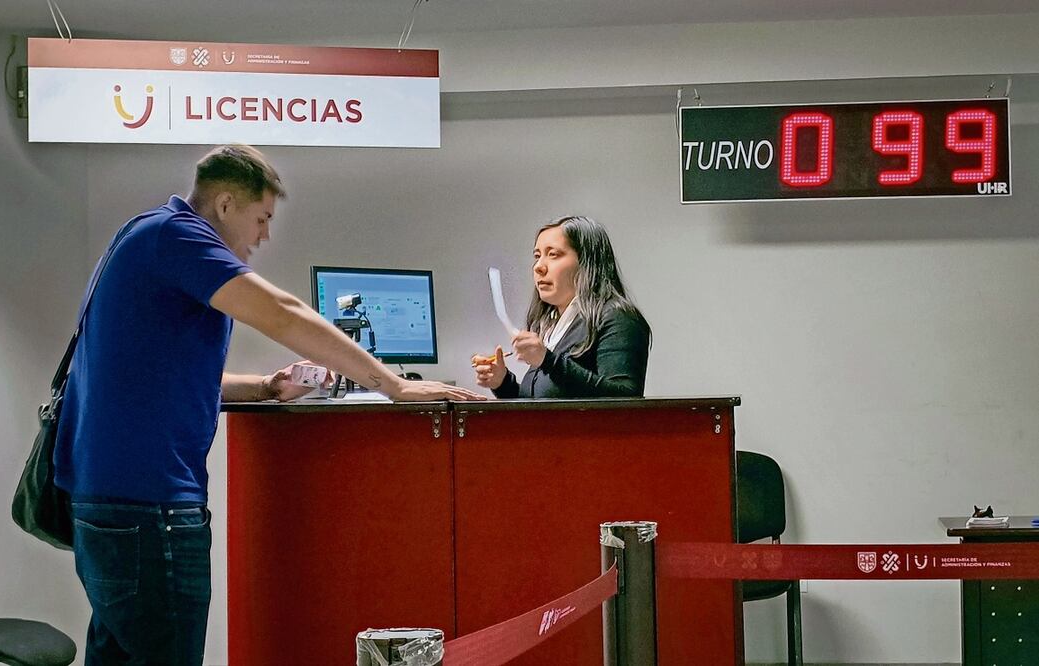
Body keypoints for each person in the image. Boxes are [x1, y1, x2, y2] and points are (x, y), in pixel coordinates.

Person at [53, 144, 483, 666]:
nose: (264, 236)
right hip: (151, 509)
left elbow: (159, 378)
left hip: (112, 504)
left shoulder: (142, 236)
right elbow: (280, 312)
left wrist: (263, 387)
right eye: (262, 218)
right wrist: (394, 384)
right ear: (226, 204)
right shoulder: (178, 236)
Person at [472, 215, 651, 398]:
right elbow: (540, 408)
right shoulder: (552, 325)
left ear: (586, 262)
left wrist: (548, 360)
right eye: (537, 256)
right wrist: (502, 382)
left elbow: (625, 399)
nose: (538, 267)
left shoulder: (618, 318)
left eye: (553, 255)